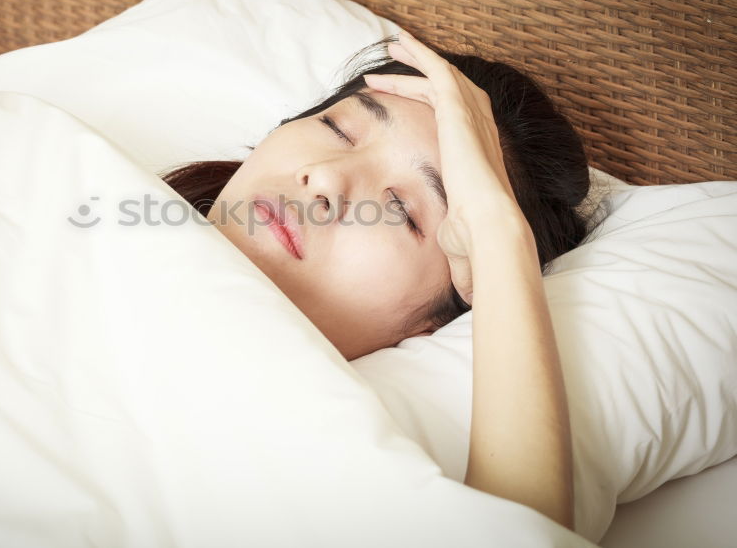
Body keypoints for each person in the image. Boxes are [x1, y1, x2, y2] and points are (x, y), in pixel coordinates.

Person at [160, 29, 588, 531]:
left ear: (431, 324)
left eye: (402, 209)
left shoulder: (320, 482)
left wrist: (499, 239)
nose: (325, 180)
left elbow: (520, 534)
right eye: (338, 129)